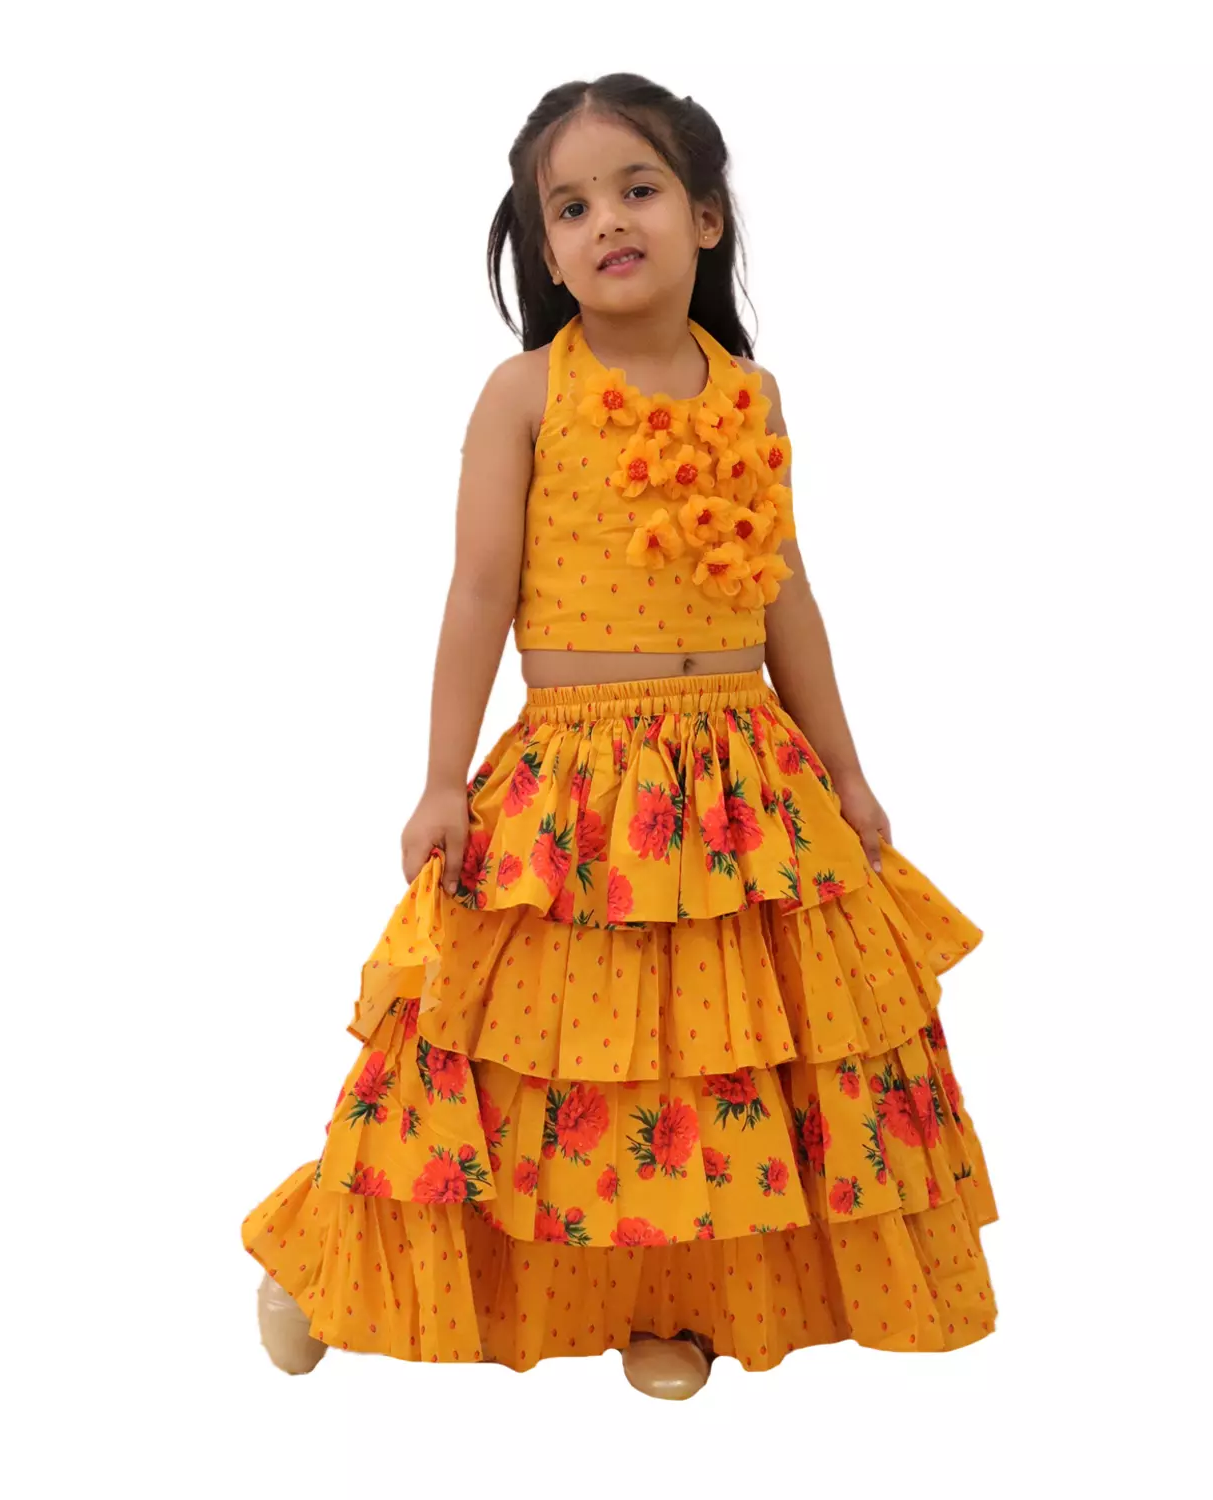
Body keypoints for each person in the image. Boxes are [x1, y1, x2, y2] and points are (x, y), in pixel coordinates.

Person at [241, 72, 999, 1399]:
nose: (606, 221)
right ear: (546, 251)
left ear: (706, 218)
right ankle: (326, 1262)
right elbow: (478, 592)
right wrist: (438, 780)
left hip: (743, 777)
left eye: (637, 190)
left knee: (713, 1062)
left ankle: (674, 1304)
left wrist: (846, 770)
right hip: (577, 780)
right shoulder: (524, 393)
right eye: (571, 206)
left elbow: (785, 594)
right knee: (508, 1050)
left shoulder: (751, 395)